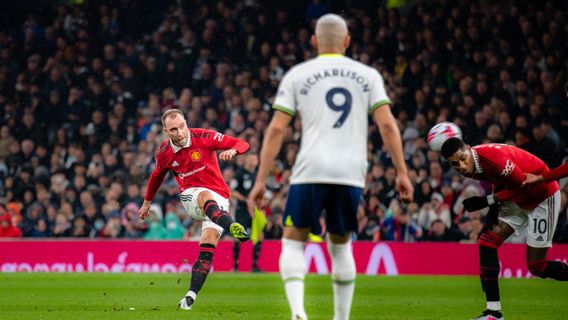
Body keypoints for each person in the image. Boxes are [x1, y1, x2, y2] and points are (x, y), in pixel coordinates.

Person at [247, 14, 413, 320]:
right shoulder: (368, 75)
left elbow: (276, 130)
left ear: (314, 42)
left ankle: (298, 312)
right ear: (347, 41)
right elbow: (388, 125)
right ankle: (341, 318)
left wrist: (260, 180)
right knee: (340, 244)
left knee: (293, 241)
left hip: (311, 169)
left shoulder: (298, 74)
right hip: (350, 173)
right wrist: (402, 171)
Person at [440, 137, 568, 320]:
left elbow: (525, 184)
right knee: (487, 243)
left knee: (536, 267)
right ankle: (493, 313)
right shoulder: (470, 164)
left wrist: (488, 200)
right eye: (454, 164)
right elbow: (497, 177)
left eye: (462, 158)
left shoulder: (492, 159)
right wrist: (493, 203)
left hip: (542, 197)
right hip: (516, 198)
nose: (461, 165)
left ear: (469, 148)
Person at [138, 108, 250, 310]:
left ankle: (190, 297)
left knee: (208, 247)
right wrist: (147, 202)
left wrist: (233, 150)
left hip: (220, 197)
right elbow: (157, 176)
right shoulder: (164, 153)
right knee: (203, 196)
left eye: (182, 126)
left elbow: (242, 143)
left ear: (186, 122)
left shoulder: (204, 136)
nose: (180, 132)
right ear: (165, 130)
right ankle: (232, 225)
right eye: (173, 129)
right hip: (191, 195)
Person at [230, 153, 263, 272]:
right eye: (250, 159)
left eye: (254, 159)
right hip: (242, 209)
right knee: (239, 236)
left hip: (255, 209)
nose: (252, 161)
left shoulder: (258, 175)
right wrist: (246, 200)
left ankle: (254, 266)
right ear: (246, 161)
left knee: (259, 235)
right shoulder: (239, 173)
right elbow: (231, 191)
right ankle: (235, 266)